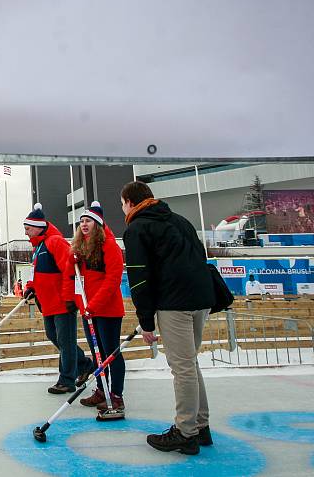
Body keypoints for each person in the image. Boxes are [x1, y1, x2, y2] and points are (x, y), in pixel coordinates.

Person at [121, 181, 215, 455]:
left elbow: (139, 278)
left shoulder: (137, 228)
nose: (123, 208)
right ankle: (201, 425)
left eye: (122, 203)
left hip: (175, 303)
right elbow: (199, 256)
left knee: (182, 368)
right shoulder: (180, 220)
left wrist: (146, 321)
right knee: (190, 364)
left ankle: (186, 432)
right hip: (200, 298)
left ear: (129, 202)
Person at [23, 203, 94, 394]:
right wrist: (30, 288)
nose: (26, 233)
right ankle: (84, 363)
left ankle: (66, 380)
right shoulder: (38, 248)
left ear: (38, 227)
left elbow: (69, 270)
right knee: (54, 337)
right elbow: (35, 273)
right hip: (47, 304)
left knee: (65, 340)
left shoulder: (56, 242)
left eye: (28, 229)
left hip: (62, 302)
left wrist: (70, 297)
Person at [67, 201, 126, 415]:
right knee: (97, 354)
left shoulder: (109, 246)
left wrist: (94, 305)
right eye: (81, 221)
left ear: (97, 225)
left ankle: (116, 396)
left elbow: (112, 280)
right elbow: (76, 279)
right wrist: (71, 259)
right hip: (89, 310)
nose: (84, 224)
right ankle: (102, 389)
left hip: (107, 310)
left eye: (88, 221)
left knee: (111, 354)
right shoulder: (82, 248)